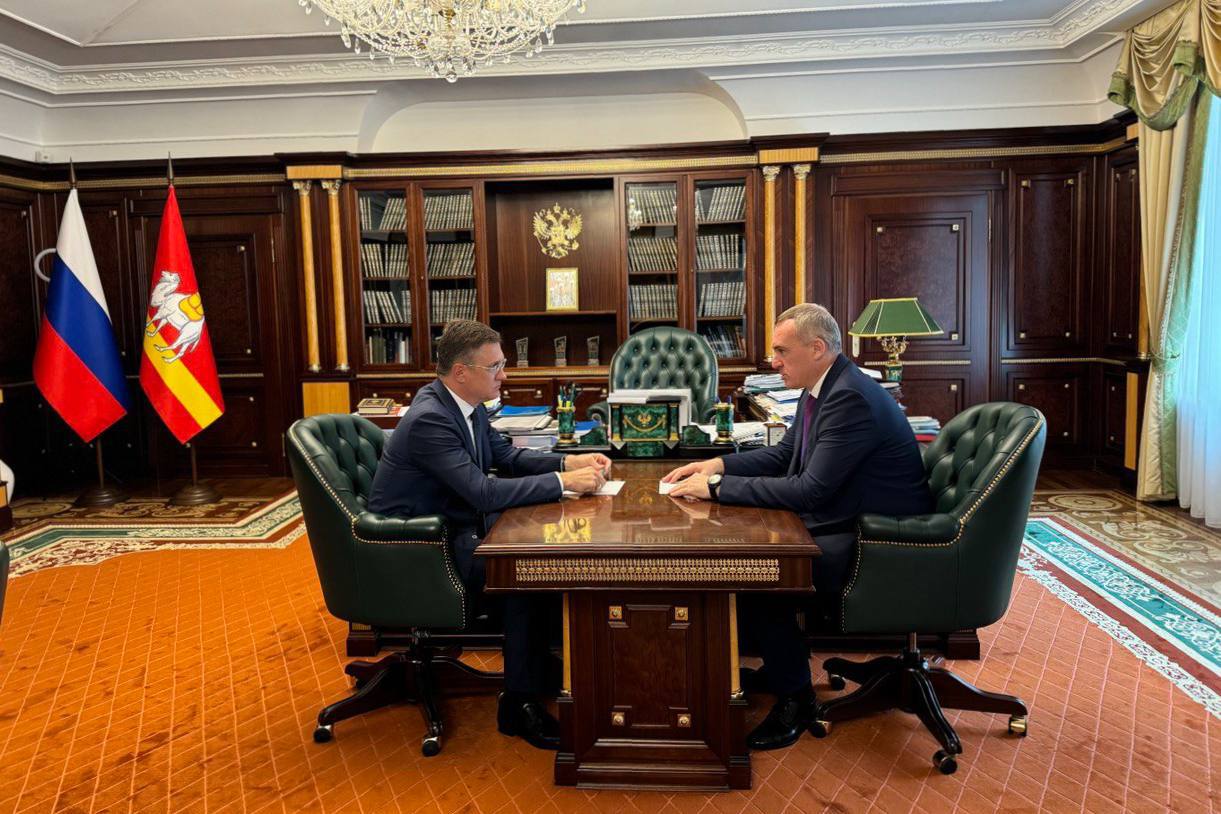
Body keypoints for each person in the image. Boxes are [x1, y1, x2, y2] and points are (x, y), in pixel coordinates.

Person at [663, 303, 932, 751]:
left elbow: (809, 490)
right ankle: (781, 667)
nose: (774, 362)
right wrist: (717, 464)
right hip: (850, 519)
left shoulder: (849, 397)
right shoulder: (821, 387)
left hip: (882, 541)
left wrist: (714, 488)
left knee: (760, 572)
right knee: (752, 553)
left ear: (817, 348)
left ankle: (796, 699)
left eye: (781, 351)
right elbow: (784, 455)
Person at [368, 319, 611, 750]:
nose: (504, 375)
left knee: (542, 557)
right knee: (524, 574)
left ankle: (537, 667)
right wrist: (563, 483)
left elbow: (507, 457)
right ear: (461, 372)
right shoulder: (430, 419)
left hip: (451, 531)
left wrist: (569, 462)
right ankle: (518, 705)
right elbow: (481, 492)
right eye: (495, 366)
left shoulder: (466, 406)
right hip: (417, 551)